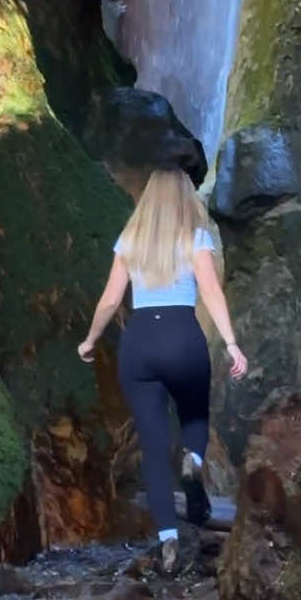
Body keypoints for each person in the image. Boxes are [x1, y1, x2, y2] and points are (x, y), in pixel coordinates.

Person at [78, 166, 248, 575]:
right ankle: (191, 458)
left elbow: (109, 300)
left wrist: (90, 340)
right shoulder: (196, 237)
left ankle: (168, 542)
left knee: (153, 447)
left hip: (139, 342)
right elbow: (211, 292)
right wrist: (231, 343)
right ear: (185, 198)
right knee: (193, 414)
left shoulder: (130, 240)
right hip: (182, 336)